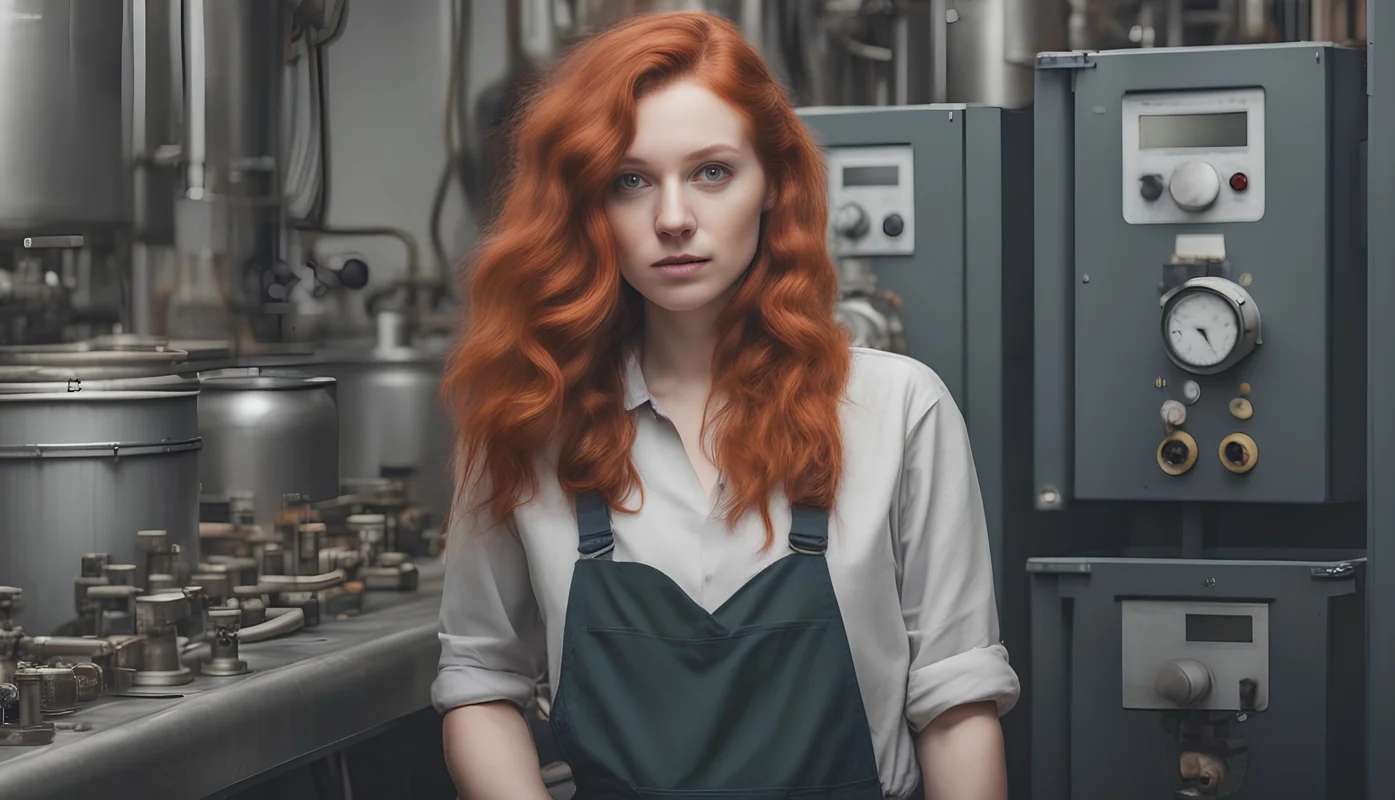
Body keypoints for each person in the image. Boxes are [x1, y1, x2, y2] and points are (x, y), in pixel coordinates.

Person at [432, 11, 1017, 799]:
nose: (673, 218)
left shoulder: (897, 408)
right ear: (587, 204)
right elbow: (480, 680)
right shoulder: (525, 420)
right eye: (630, 180)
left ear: (773, 183)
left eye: (711, 172)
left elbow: (956, 703)